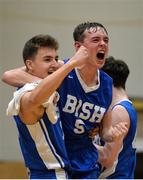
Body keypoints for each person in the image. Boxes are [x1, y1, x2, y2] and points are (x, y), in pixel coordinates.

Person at [2, 22, 127, 179]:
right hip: (58, 160)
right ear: (79, 47)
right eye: (96, 40)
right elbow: (9, 75)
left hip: (86, 163)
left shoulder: (107, 83)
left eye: (106, 40)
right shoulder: (60, 68)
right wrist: (46, 86)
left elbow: (105, 130)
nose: (102, 43)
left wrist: (113, 134)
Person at [5, 34, 92, 179]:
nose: (54, 63)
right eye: (47, 59)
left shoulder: (48, 88)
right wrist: (71, 64)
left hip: (60, 173)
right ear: (30, 65)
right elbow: (34, 99)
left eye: (55, 58)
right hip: (48, 174)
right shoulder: (25, 94)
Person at [95, 56, 137, 178]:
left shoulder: (119, 110)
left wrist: (77, 143)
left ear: (107, 80)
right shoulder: (126, 106)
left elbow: (107, 159)